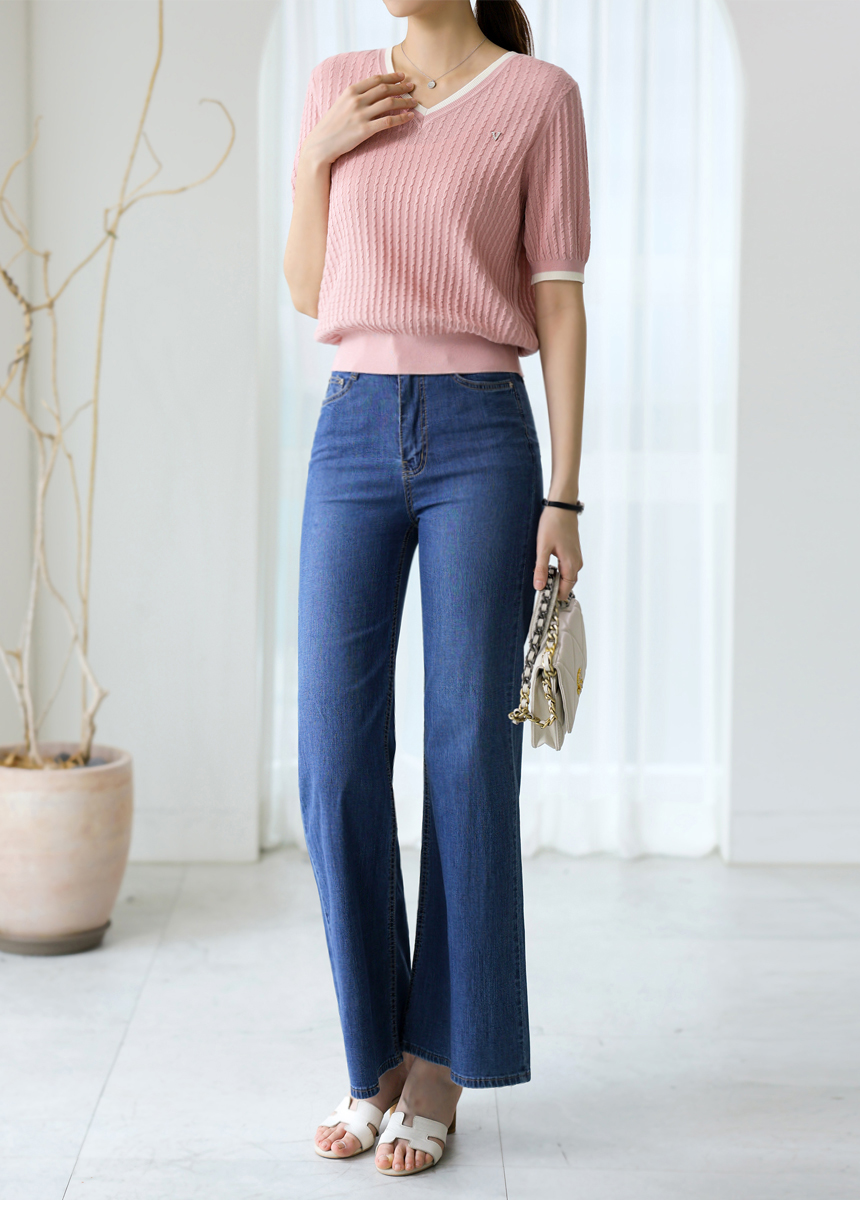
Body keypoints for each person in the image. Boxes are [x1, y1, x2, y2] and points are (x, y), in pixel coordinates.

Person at [283, 0, 589, 1177]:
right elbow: (308, 289)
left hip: (480, 435)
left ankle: (440, 1066)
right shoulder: (336, 83)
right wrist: (317, 156)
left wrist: (563, 497)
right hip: (351, 429)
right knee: (333, 759)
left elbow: (556, 299)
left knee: (466, 756)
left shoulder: (537, 98)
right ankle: (371, 1058)